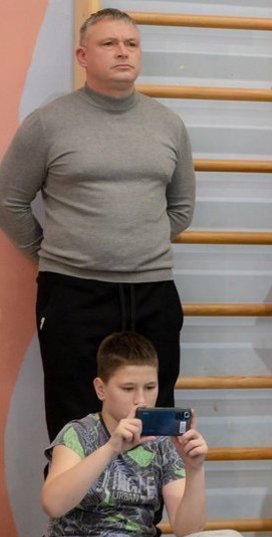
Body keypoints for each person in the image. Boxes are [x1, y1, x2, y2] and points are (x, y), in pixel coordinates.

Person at [0, 8, 195, 441]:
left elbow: (181, 208)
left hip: (153, 291)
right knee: (75, 418)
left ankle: (150, 491)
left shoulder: (168, 124)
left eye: (131, 44)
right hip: (73, 292)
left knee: (155, 419)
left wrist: (136, 243)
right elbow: (8, 200)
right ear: (83, 56)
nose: (123, 52)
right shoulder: (48, 123)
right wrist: (52, 254)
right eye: (109, 43)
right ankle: (74, 491)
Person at [33, 332, 253, 537]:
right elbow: (53, 504)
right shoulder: (78, 433)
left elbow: (187, 531)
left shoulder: (163, 443)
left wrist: (194, 469)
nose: (141, 400)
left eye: (150, 387)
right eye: (128, 389)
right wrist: (111, 448)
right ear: (101, 389)